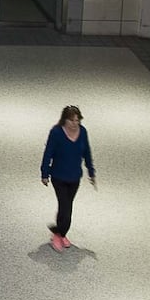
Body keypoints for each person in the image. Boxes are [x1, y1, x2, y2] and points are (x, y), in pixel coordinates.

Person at [39, 105, 96, 252]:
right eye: (72, 121)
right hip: (59, 176)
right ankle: (59, 234)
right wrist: (45, 173)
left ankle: (60, 231)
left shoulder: (82, 132)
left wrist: (91, 171)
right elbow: (48, 153)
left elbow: (87, 152)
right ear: (65, 120)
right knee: (65, 206)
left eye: (77, 120)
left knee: (67, 207)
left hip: (74, 177)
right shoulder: (56, 132)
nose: (75, 124)